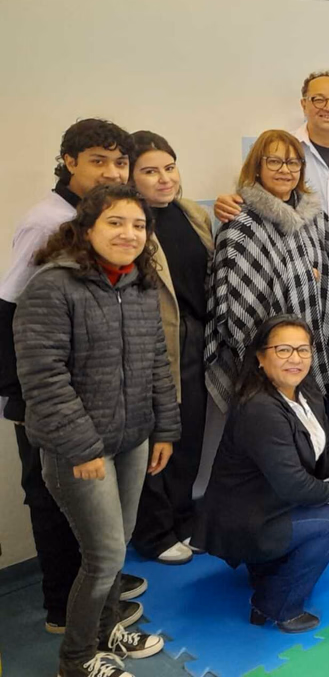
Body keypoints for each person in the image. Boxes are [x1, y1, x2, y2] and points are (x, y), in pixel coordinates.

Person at [15, 184, 180, 677]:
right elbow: (43, 377)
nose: (129, 233)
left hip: (132, 441)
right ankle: (77, 658)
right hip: (78, 451)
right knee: (104, 556)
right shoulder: (52, 285)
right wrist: (82, 446)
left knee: (117, 547)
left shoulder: (140, 284)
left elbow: (156, 361)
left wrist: (164, 429)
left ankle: (108, 630)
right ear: (86, 229)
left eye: (138, 225)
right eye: (115, 222)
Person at [0, 119, 147, 635]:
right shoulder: (48, 222)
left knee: (102, 521)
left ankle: (96, 593)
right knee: (51, 498)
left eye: (120, 162)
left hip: (99, 400)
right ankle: (63, 608)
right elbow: (12, 309)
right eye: (97, 161)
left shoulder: (109, 227)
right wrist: (22, 398)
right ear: (69, 162)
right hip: (46, 397)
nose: (112, 172)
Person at [199, 130, 329, 499]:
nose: (285, 169)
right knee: (275, 442)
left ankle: (325, 497)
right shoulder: (241, 223)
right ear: (257, 166)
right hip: (266, 358)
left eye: (293, 162)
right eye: (274, 161)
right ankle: (281, 506)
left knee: (320, 431)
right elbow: (235, 303)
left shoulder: (315, 218)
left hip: (313, 346)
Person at [196, 316, 329, 634]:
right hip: (248, 518)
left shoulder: (306, 391)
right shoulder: (260, 408)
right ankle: (275, 604)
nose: (296, 358)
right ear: (260, 358)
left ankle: (267, 569)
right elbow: (293, 484)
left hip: (276, 505)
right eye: (283, 350)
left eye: (303, 350)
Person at [213, 71, 329, 316]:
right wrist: (229, 202)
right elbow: (253, 195)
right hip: (289, 291)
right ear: (304, 104)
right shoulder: (282, 151)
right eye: (319, 99)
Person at [126, 131, 213, 566]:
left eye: (170, 167)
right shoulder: (130, 223)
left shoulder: (192, 213)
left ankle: (182, 518)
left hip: (196, 337)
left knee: (189, 433)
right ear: (130, 177)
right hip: (154, 344)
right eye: (150, 171)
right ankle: (154, 532)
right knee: (155, 439)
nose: (164, 179)